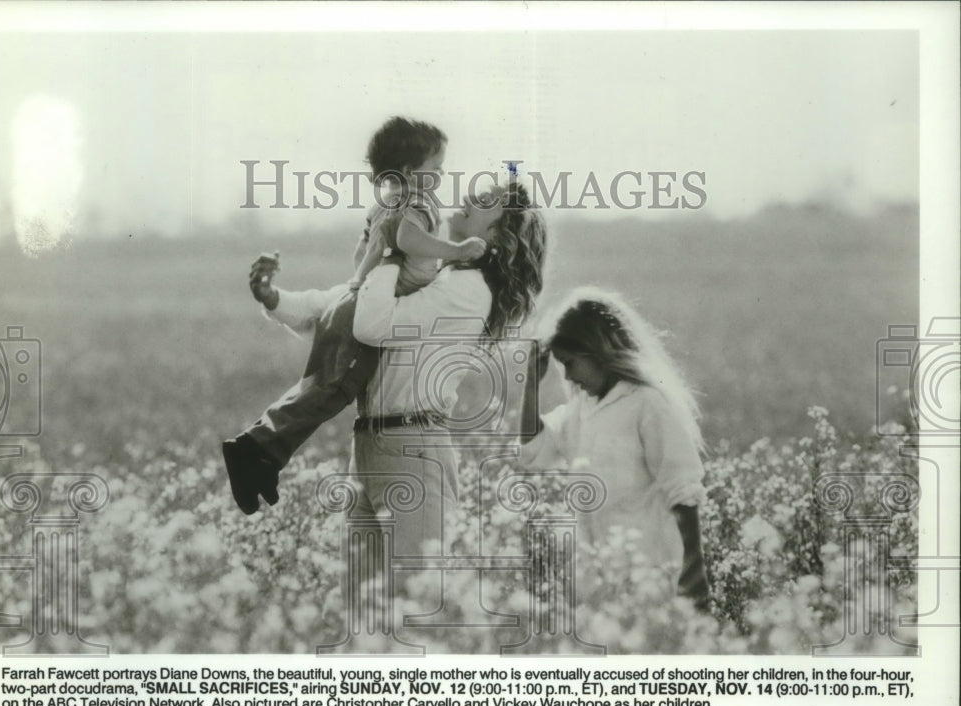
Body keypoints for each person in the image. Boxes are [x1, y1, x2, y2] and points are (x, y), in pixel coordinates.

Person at [244, 181, 545, 563]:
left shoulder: (468, 290)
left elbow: (370, 325)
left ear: (499, 237)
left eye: (486, 203)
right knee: (362, 608)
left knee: (406, 601)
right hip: (374, 444)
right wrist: (274, 299)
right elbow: (343, 307)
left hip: (413, 449)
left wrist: (387, 254)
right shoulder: (437, 273)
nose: (469, 198)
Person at [222, 116, 487, 514]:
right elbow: (407, 239)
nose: (442, 175)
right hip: (361, 309)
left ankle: (262, 453)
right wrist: (457, 251)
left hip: (351, 299)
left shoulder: (384, 203)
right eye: (436, 167)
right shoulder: (417, 203)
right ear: (413, 172)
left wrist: (371, 271)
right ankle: (257, 451)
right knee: (332, 390)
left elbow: (359, 255)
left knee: (317, 388)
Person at [518, 288, 711, 611]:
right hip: (598, 580)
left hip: (651, 575)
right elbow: (532, 451)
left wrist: (693, 573)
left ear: (598, 351)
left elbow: (683, 490)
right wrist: (530, 386)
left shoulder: (647, 404)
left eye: (571, 363)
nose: (567, 376)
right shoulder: (581, 410)